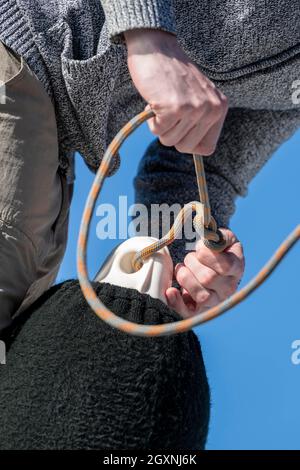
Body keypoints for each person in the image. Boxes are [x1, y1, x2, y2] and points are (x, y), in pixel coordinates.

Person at [0, 1, 299, 332]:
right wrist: (148, 35)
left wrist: (187, 263)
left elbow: (196, 167)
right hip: (18, 59)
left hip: (47, 148)